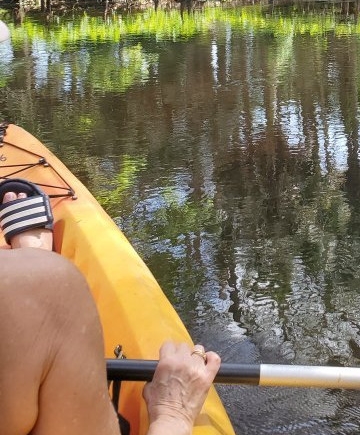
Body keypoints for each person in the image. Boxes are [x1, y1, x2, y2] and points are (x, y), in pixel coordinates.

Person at [0, 186, 221, 435]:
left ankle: (31, 266)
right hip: (28, 291)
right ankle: (32, 266)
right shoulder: (57, 287)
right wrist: (174, 415)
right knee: (47, 286)